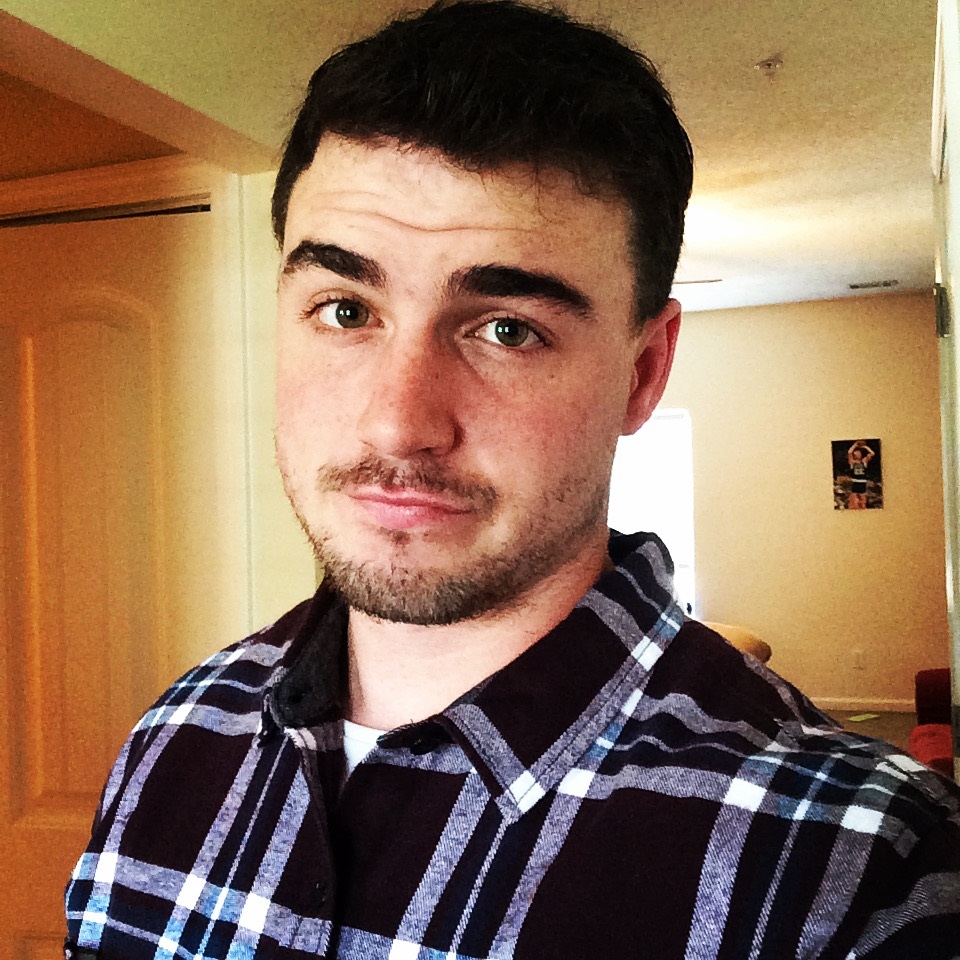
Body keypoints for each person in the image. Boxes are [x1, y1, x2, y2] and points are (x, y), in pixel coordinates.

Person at [64, 2, 960, 958]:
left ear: (643, 372)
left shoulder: (864, 875)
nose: (398, 422)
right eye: (345, 309)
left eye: (507, 329)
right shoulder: (175, 737)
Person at [847, 439, 876, 509]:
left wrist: (864, 446)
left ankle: (863, 508)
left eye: (858, 453)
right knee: (854, 499)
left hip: (862, 482)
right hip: (855, 481)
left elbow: (872, 453)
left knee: (862, 499)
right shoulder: (852, 462)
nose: (856, 455)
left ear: (860, 455)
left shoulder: (864, 461)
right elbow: (849, 452)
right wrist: (855, 445)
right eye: (855, 454)